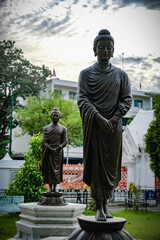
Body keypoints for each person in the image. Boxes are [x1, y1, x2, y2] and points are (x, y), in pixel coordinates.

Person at [77, 29, 132, 221]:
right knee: (97, 166)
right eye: (101, 47)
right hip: (95, 128)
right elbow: (82, 99)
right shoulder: (85, 74)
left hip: (114, 129)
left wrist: (114, 119)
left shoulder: (121, 75)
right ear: (94, 50)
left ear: (113, 50)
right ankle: (98, 206)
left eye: (109, 48)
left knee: (110, 166)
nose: (105, 51)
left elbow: (127, 100)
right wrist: (100, 118)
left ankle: (107, 204)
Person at [42, 108, 68, 193]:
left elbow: (65, 141)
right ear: (51, 116)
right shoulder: (46, 128)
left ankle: (55, 188)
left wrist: (58, 147)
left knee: (57, 170)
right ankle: (50, 188)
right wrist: (50, 148)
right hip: (49, 152)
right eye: (54, 115)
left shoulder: (63, 128)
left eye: (57, 116)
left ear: (59, 117)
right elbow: (44, 141)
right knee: (49, 170)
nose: (55, 117)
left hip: (58, 152)